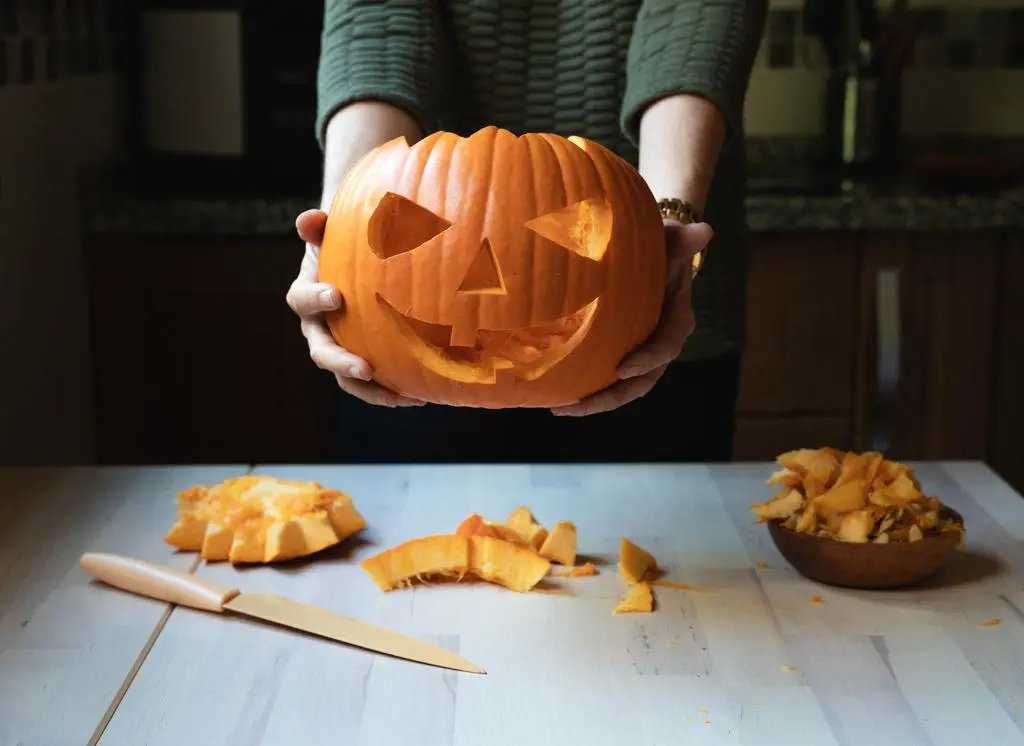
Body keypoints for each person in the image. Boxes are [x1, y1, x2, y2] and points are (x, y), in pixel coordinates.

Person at [286, 0, 768, 464]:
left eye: (559, 235)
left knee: (669, 539)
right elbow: (380, 29)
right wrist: (343, 234)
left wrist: (666, 229)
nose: (488, 284)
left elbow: (694, 22)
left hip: (643, 273)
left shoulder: (645, 258)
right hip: (418, 243)